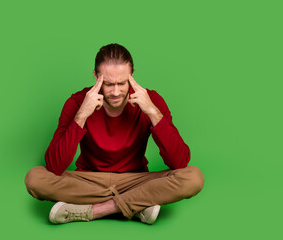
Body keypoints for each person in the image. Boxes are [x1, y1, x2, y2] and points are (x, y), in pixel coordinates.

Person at [25, 43, 204, 225]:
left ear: (132, 74)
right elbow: (54, 165)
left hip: (135, 180)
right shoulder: (78, 102)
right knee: (35, 178)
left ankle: (98, 210)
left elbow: (179, 161)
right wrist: (82, 115)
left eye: (122, 83)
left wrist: (152, 111)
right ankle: (136, 205)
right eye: (109, 84)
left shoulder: (151, 100)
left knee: (193, 177)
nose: (116, 92)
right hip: (89, 181)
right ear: (96, 76)